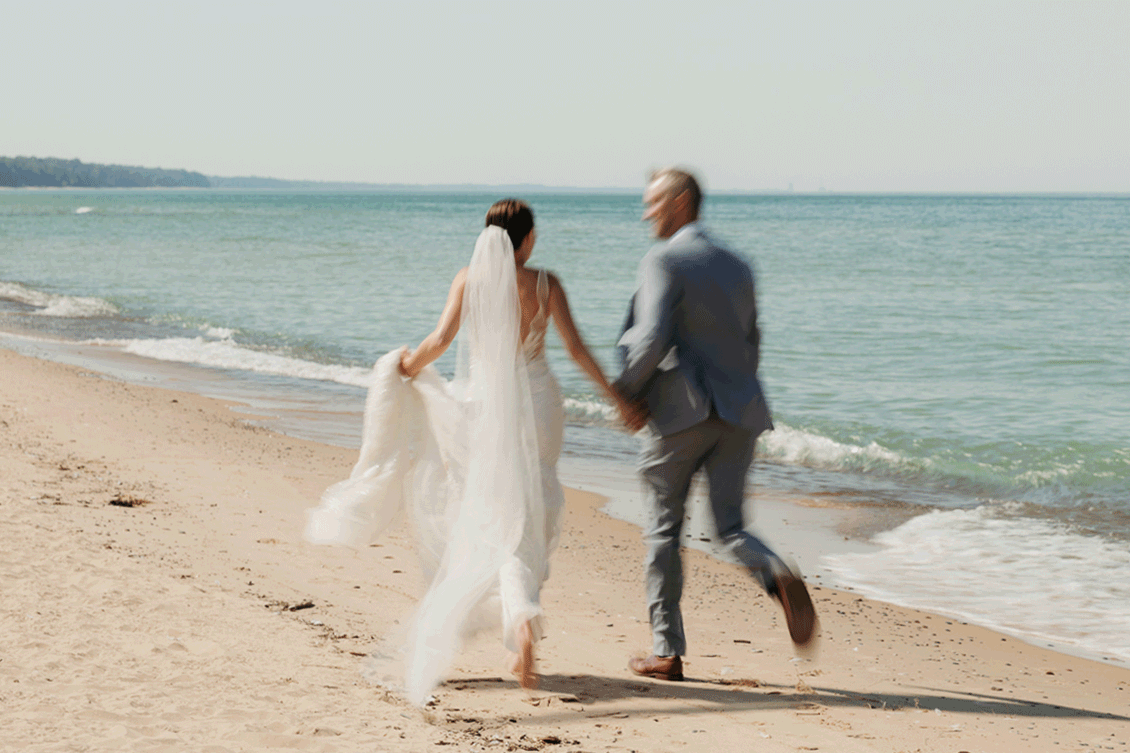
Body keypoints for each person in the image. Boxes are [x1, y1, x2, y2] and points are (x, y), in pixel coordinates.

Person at [391, 199, 632, 697]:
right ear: (527, 239)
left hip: (483, 406)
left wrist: (408, 368)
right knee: (533, 505)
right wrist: (617, 399)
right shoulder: (547, 284)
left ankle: (518, 620)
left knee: (493, 512)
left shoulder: (468, 279)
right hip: (540, 403)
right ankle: (522, 614)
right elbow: (577, 350)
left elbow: (440, 339)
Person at [613, 168, 817, 682]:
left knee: (663, 532)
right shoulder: (740, 264)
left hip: (682, 414)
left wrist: (627, 391)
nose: (646, 214)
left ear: (680, 201)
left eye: (653, 203)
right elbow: (752, 338)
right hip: (741, 410)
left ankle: (667, 651)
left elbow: (652, 337)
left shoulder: (663, 259)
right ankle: (776, 573)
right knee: (730, 527)